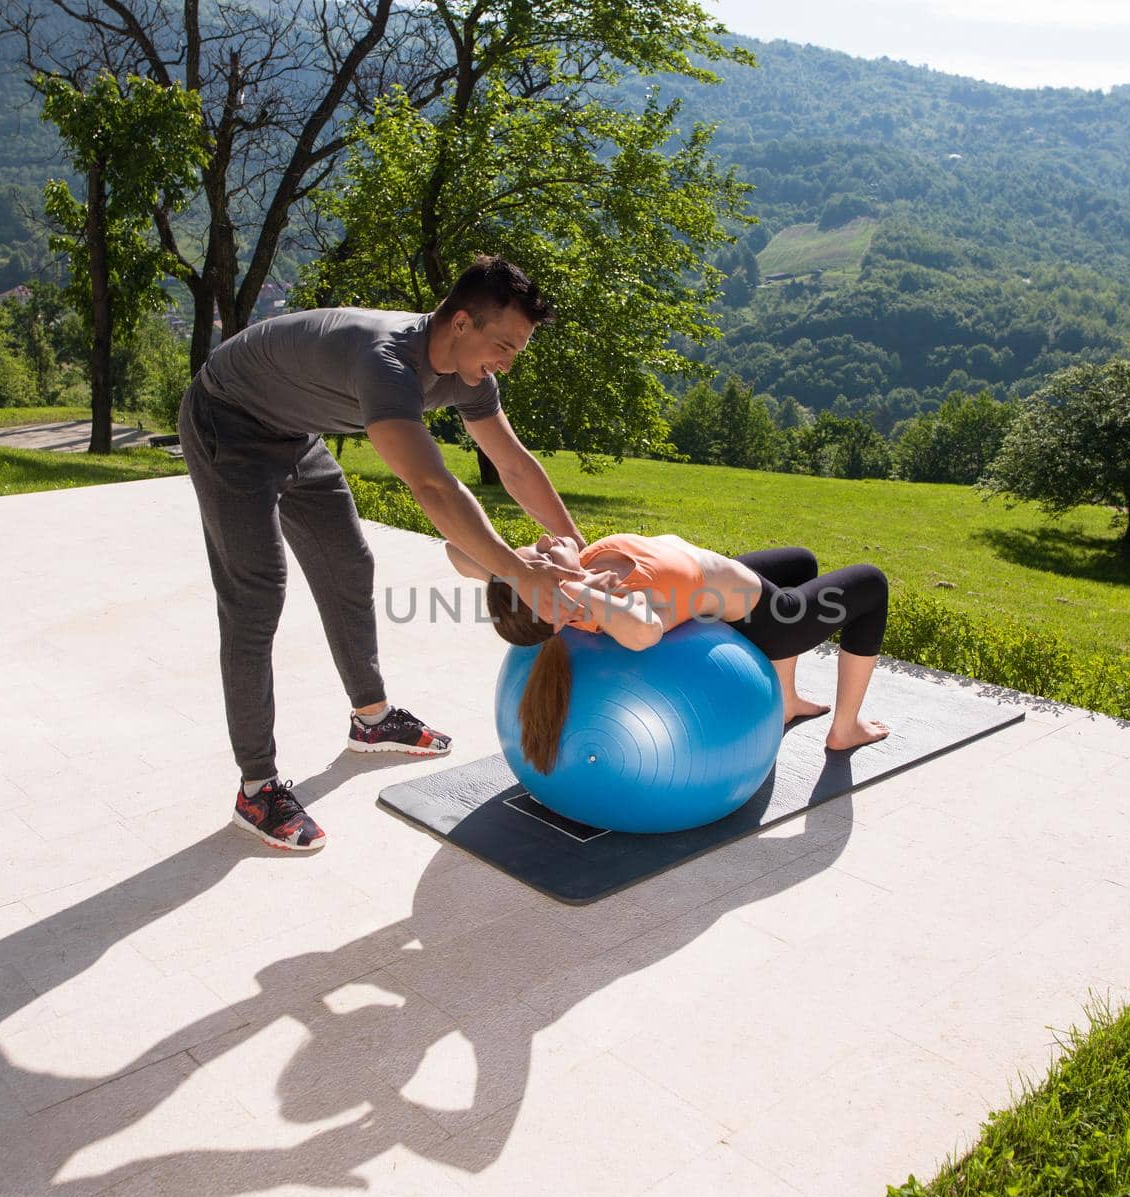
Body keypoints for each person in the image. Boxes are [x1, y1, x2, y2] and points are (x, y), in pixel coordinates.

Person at [180, 256, 584, 851]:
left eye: (515, 352)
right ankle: (257, 787)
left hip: (294, 430)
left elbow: (513, 464)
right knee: (257, 594)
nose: (506, 361)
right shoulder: (387, 363)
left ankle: (372, 720)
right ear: (463, 323)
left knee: (349, 563)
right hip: (228, 421)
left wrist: (577, 545)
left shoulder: (471, 378)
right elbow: (432, 486)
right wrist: (520, 572)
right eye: (502, 345)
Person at [446, 533, 890, 773]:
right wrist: (574, 584)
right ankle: (845, 728)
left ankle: (787, 700)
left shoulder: (562, 576)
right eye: (538, 556)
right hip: (766, 618)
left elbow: (457, 549)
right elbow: (644, 634)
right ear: (552, 599)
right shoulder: (611, 604)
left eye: (528, 554)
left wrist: (511, 566)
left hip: (723, 583)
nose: (542, 542)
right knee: (871, 583)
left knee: (801, 562)